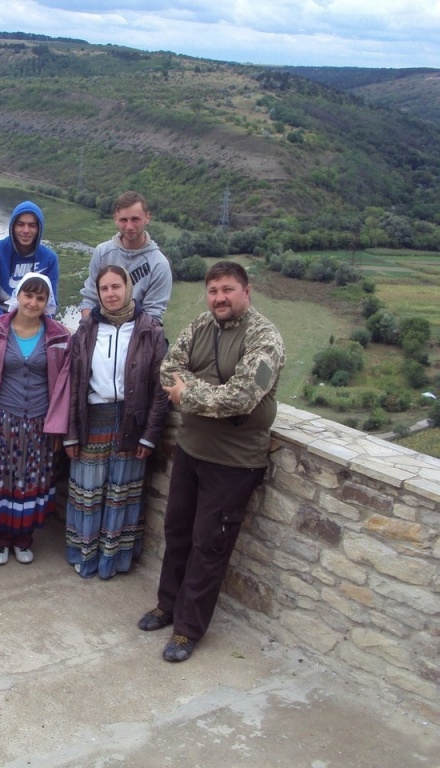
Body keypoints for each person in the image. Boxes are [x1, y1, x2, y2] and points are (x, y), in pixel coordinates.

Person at [138, 261, 284, 663]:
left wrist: (190, 394)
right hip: (191, 449)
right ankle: (167, 605)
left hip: (235, 462)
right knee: (178, 531)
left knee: (210, 545)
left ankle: (188, 629)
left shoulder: (264, 338)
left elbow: (241, 397)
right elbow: (169, 368)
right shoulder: (202, 326)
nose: (219, 297)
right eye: (213, 290)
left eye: (228, 290)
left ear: (246, 292)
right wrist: (205, 392)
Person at [64, 265, 169, 579]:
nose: (110, 294)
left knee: (121, 491)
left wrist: (149, 436)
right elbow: (72, 385)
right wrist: (70, 434)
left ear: (128, 288)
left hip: (131, 422)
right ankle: (85, 554)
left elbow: (161, 388)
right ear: (97, 293)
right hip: (92, 420)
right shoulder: (85, 330)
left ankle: (114, 559)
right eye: (104, 288)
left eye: (116, 287)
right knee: (89, 492)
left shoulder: (150, 330)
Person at [0, 272, 70, 565]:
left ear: (47, 302)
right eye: (28, 295)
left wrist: (59, 426)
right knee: (0, 478)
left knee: (30, 480)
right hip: (0, 419)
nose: (33, 302)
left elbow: (65, 383)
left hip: (39, 421)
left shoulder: (60, 336)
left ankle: (24, 538)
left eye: (40, 297)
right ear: (17, 297)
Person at [80, 191, 172, 322]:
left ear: (147, 217)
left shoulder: (159, 264)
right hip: (101, 330)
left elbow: (153, 315)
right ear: (115, 219)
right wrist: (89, 331)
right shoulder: (102, 252)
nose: (129, 226)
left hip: (138, 335)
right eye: (124, 220)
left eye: (135, 219)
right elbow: (90, 298)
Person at [0, 201, 60, 323]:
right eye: (20, 224)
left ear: (39, 228)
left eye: (32, 225)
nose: (26, 230)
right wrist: (3, 326)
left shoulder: (49, 258)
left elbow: (50, 302)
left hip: (34, 319)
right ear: (13, 226)